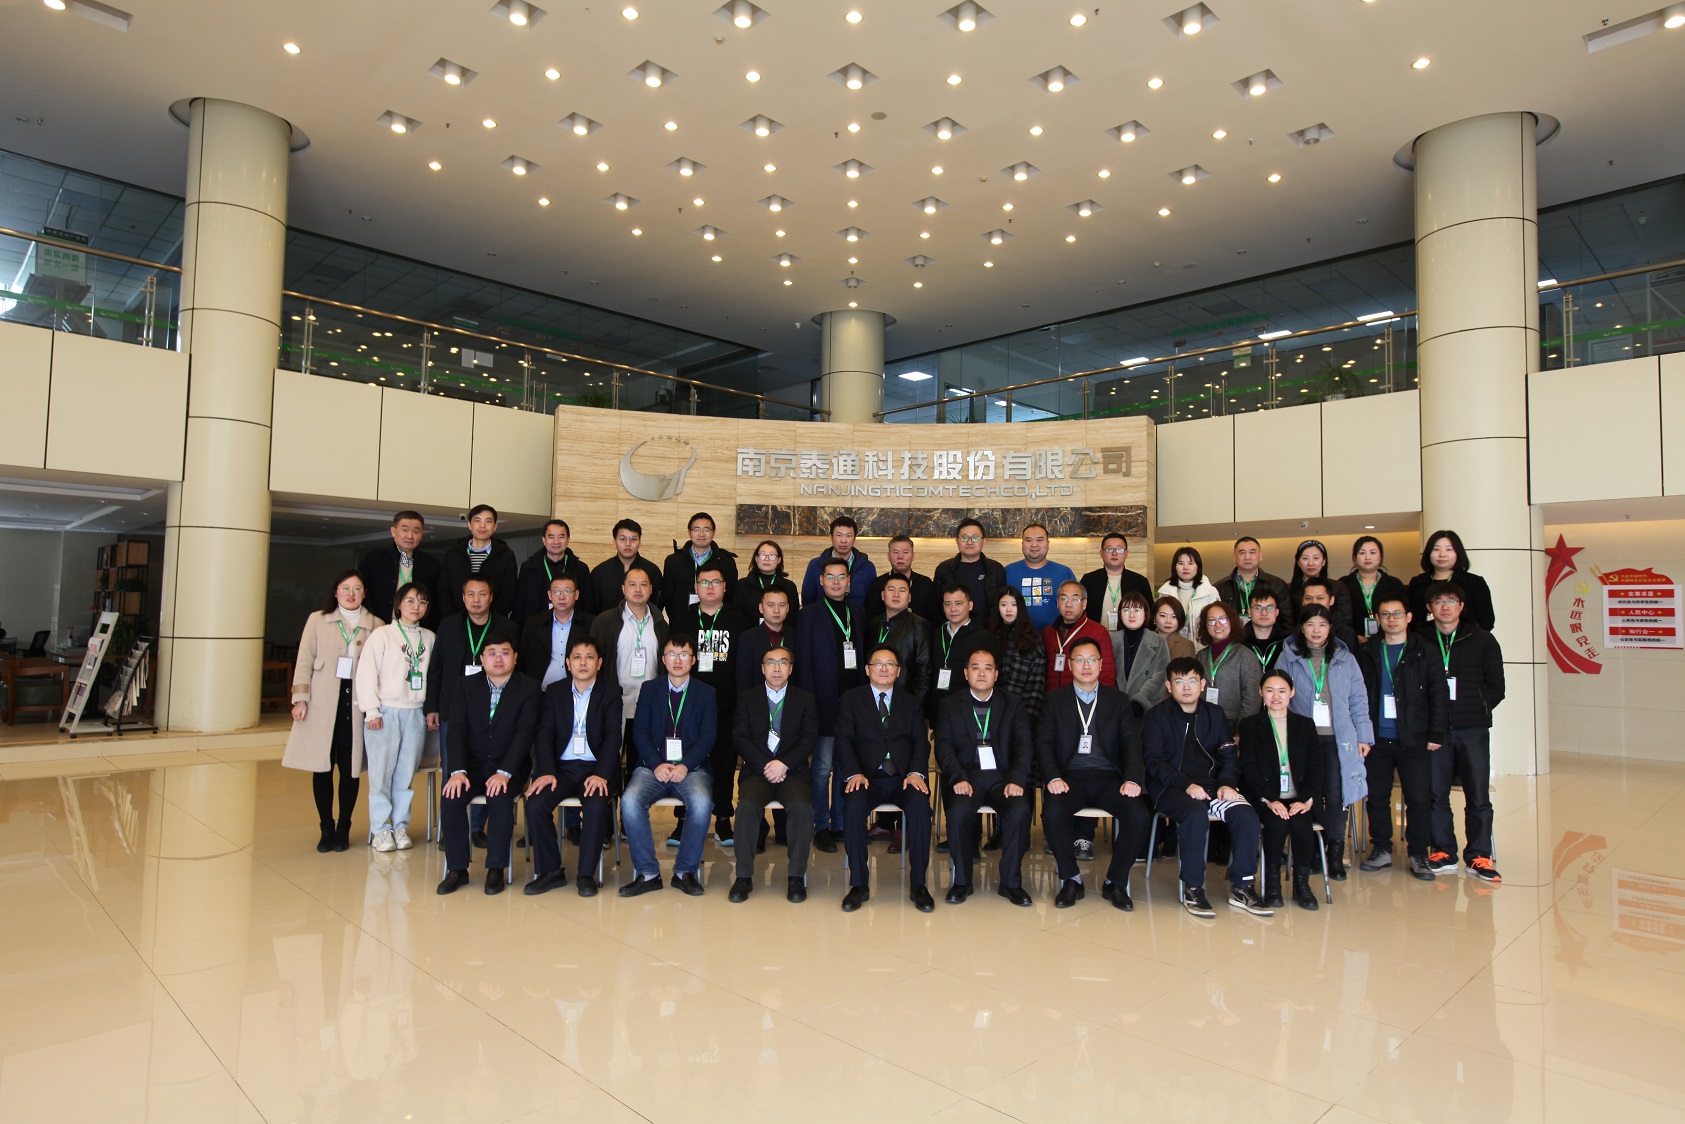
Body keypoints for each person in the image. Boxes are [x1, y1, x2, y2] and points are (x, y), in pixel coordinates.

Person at [1141, 658, 1271, 918]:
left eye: (1192, 681)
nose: (1186, 687)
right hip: (1171, 788)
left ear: (1202, 684)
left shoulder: (1215, 714)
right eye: (1179, 681)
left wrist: (1227, 783)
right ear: (1169, 686)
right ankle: (1193, 888)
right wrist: (1186, 785)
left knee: (1246, 815)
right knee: (1195, 814)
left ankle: (1242, 886)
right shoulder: (1156, 716)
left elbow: (1228, 755)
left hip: (1213, 786)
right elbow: (1154, 761)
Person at [1037, 636, 1151, 911]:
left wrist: (1132, 778)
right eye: (1079, 660)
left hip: (1109, 778)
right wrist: (1053, 777)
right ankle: (1071, 879)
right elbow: (1043, 743)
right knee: (1052, 813)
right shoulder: (1054, 700)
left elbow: (1131, 742)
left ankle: (1115, 881)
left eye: (1092, 660)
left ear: (1101, 664)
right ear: (1069, 665)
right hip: (1070, 778)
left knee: (1138, 815)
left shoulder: (1118, 700)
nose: (1086, 666)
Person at [283, 570, 380, 853]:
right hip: (323, 702)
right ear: (335, 592)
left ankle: (344, 826)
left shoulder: (376, 625)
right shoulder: (318, 619)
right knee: (322, 767)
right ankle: (326, 827)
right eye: (345, 588)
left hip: (356, 703)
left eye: (357, 588)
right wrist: (300, 699)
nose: (351, 594)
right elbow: (304, 660)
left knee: (350, 769)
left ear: (364, 594)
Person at [436, 629, 538, 896]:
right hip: (472, 767)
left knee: (499, 797)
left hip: (509, 767)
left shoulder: (528, 688)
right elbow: (456, 731)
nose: (498, 659)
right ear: (482, 659)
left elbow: (525, 734)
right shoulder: (465, 686)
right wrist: (457, 771)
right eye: (492, 653)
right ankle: (457, 869)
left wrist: (505, 772)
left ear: (515, 657)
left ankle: (496, 868)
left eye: (505, 653)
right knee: (451, 796)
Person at [1275, 605, 1372, 880]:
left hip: (1339, 739)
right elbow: (1278, 698)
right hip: (1303, 740)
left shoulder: (1345, 658)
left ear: (1330, 629)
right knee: (1309, 795)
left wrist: (1364, 736)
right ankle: (1314, 852)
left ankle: (1335, 852)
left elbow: (1358, 699)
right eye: (1310, 624)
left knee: (1337, 795)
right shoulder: (1288, 657)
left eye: (1322, 625)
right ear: (1301, 628)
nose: (1316, 630)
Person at [836, 646, 936, 913]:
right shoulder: (851, 700)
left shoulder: (911, 703)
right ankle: (859, 884)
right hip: (867, 777)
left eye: (889, 664)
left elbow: (921, 742)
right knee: (853, 806)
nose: (883, 668)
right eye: (877, 663)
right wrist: (854, 772)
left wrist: (916, 772)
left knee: (920, 806)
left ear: (898, 671)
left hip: (903, 778)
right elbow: (844, 741)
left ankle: (919, 885)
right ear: (867, 669)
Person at [934, 648, 1035, 906]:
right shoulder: (949, 705)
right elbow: (943, 747)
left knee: (1019, 811)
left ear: (996, 674)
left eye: (988, 668)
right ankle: (962, 882)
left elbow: (1024, 745)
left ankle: (1011, 883)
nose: (981, 673)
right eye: (975, 668)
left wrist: (1016, 778)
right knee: (958, 812)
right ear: (966, 673)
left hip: (1003, 778)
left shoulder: (1013, 703)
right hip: (967, 776)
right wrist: (958, 777)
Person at [619, 635, 718, 896]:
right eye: (672, 654)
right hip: (653, 768)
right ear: (663, 659)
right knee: (630, 801)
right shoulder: (650, 689)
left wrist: (685, 765)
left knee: (701, 802)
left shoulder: (706, 693)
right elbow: (640, 732)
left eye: (684, 655)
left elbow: (708, 736)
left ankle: (685, 872)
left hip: (692, 769)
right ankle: (648, 873)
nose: (678, 660)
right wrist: (655, 764)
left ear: (693, 660)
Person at [1359, 595, 1449, 881]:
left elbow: (1438, 694)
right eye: (1385, 614)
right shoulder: (1368, 651)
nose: (1391, 619)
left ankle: (1418, 853)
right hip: (1377, 737)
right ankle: (1381, 848)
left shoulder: (1425, 651)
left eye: (1397, 614)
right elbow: (1358, 694)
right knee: (1377, 797)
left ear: (1409, 617)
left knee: (1419, 798)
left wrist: (1436, 732)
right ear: (1378, 619)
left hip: (1414, 737)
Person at [523, 635, 619, 897]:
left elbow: (613, 737)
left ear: (599, 663)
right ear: (568, 663)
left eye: (589, 657)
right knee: (535, 804)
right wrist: (546, 772)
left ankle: (585, 875)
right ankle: (550, 872)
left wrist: (602, 774)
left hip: (594, 769)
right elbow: (544, 734)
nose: (583, 663)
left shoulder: (611, 692)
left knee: (597, 806)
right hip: (560, 769)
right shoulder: (554, 692)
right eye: (577, 657)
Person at [424, 577, 518, 844]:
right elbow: (436, 668)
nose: (477, 600)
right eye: (471, 594)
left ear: (491, 597)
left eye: (482, 594)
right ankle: (451, 830)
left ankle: (476, 827)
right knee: (453, 769)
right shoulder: (449, 626)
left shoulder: (507, 627)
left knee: (489, 768)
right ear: (463, 598)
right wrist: (432, 707)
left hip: (494, 712)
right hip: (453, 709)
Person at [1423, 580, 1505, 882]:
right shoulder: (1421, 640)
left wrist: (1476, 708)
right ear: (1429, 608)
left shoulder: (1482, 639)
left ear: (1461, 606)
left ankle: (1479, 855)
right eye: (1438, 601)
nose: (1445, 607)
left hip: (1473, 728)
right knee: (1435, 793)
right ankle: (1443, 850)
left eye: (1451, 601)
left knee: (1478, 794)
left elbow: (1497, 686)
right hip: (1434, 730)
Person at [668, 564, 752, 846]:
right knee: (686, 761)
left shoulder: (738, 620)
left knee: (725, 764)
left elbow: (743, 666)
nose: (710, 587)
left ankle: (723, 818)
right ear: (696, 587)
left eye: (716, 582)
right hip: (688, 705)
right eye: (704, 582)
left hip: (727, 705)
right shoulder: (682, 620)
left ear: (725, 587)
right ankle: (683, 819)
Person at [729, 647, 817, 903]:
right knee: (746, 806)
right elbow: (740, 737)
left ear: (791, 668)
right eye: (771, 663)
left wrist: (784, 764)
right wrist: (767, 764)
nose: (777, 668)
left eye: (783, 663)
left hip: (793, 771)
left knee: (801, 808)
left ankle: (796, 877)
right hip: (757, 771)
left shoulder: (805, 699)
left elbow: (809, 738)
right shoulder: (747, 698)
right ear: (762, 668)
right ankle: (743, 877)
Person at [792, 558, 866, 852]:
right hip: (821, 702)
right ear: (821, 581)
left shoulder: (857, 612)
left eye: (841, 577)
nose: (836, 582)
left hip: (852, 704)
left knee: (844, 764)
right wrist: (808, 707)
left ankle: (840, 823)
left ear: (849, 581)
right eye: (830, 577)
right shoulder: (809, 615)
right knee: (821, 768)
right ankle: (820, 824)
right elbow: (803, 663)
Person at [355, 582, 434, 852]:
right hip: (385, 712)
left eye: (422, 602)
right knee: (381, 775)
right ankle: (380, 829)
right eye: (410, 601)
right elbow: (366, 673)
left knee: (405, 775)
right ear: (399, 604)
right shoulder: (383, 635)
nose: (416, 607)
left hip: (415, 713)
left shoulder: (430, 637)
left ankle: (400, 825)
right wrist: (371, 710)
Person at [1237, 670, 1324, 910]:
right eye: (1270, 690)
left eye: (1282, 691)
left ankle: (1301, 885)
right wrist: (1270, 799)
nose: (1276, 696)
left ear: (1292, 693)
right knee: (1276, 825)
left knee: (1301, 825)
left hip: (1299, 798)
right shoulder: (1250, 725)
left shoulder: (1305, 725)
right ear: (1260, 692)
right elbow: (1248, 768)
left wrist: (1305, 799)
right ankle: (1272, 884)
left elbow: (1316, 766)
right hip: (1267, 798)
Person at [588, 568, 669, 784]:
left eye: (643, 584)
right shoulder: (605, 621)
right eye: (632, 584)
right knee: (609, 761)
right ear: (623, 589)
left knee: (640, 764)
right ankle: (609, 804)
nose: (638, 589)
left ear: (651, 590)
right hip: (615, 703)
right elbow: (595, 662)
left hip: (648, 706)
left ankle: (632, 805)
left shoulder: (660, 624)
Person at [359, 511, 442, 628]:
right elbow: (361, 594)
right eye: (405, 530)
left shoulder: (432, 564)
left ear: (421, 534)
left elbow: (437, 602)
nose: (410, 536)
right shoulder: (373, 560)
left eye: (416, 531)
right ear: (393, 531)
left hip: (417, 629)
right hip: (378, 626)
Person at [439, 504, 519, 620]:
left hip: (493, 622)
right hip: (456, 622)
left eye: (488, 521)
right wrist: (455, 619)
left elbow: (509, 593)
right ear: (469, 525)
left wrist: (489, 618)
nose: (482, 526)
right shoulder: (453, 554)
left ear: (495, 526)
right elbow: (443, 591)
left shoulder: (506, 555)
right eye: (477, 520)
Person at [1408, 530, 1497, 633]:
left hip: (1466, 640)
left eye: (1449, 549)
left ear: (1458, 553)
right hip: (1425, 640)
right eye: (1436, 549)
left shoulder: (1474, 583)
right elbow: (1410, 621)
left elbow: (1486, 621)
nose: (1442, 554)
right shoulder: (1418, 583)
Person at [1195, 601, 1261, 737]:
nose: (1217, 625)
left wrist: (1242, 728)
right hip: (1203, 722)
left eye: (1223, 619)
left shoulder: (1245, 656)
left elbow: (1252, 697)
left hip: (1232, 724)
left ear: (1232, 622)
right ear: (1205, 625)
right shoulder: (1201, 655)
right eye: (1212, 620)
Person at [927, 583, 993, 719]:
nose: (953, 609)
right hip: (939, 708)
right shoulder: (936, 634)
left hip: (970, 710)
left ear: (970, 605)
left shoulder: (984, 637)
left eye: (958, 603)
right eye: (948, 604)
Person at [518, 575, 595, 689]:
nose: (561, 597)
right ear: (550, 595)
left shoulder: (591, 623)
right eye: (557, 592)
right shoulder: (534, 622)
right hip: (539, 690)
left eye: (567, 591)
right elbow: (523, 658)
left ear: (576, 595)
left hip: (578, 691)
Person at [514, 519, 595, 622]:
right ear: (544, 540)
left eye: (561, 537)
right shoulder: (529, 568)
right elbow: (520, 604)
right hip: (536, 626)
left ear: (568, 539)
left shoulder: (580, 569)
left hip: (571, 626)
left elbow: (588, 605)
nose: (556, 541)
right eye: (551, 537)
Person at [869, 573, 934, 702]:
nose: (896, 595)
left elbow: (924, 671)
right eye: (891, 590)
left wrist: (917, 705)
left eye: (902, 590)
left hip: (905, 698)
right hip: (874, 696)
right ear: (883, 595)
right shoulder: (874, 624)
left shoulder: (919, 625)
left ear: (909, 597)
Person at [661, 511, 739, 613]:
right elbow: (667, 596)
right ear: (689, 532)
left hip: (717, 620)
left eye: (706, 530)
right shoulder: (673, 561)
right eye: (696, 529)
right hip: (681, 619)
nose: (701, 534)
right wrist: (676, 618)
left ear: (713, 533)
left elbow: (731, 595)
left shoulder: (726, 561)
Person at [1043, 581, 1116, 691]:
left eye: (1075, 599)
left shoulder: (1098, 632)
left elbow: (1107, 675)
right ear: (1057, 602)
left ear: (1084, 603)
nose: (1068, 604)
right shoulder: (1048, 632)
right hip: (1052, 697)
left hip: (1084, 697)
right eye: (1063, 599)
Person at [990, 588, 1047, 726]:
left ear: (1020, 607)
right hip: (992, 712)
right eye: (1003, 605)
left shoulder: (1032, 638)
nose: (1008, 609)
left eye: (1013, 604)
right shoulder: (990, 636)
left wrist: (1028, 719)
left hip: (1022, 712)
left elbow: (1037, 684)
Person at [1005, 523, 1076, 632]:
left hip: (1056, 637)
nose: (1034, 544)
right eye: (1029, 540)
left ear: (1048, 543)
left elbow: (1076, 608)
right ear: (1022, 544)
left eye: (1039, 540)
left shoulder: (1064, 572)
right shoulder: (1008, 571)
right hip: (1017, 637)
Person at [1215, 536, 1294, 630]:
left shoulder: (1277, 585)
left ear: (1260, 556)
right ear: (1234, 557)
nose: (1247, 557)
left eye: (1252, 552)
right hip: (1232, 638)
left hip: (1269, 638)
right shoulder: (1219, 587)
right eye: (1242, 552)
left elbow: (1287, 621)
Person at [1341, 535, 1407, 646]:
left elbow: (1403, 614)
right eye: (1362, 553)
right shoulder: (1343, 584)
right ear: (1354, 557)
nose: (1367, 557)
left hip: (1388, 641)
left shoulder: (1394, 584)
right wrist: (1352, 636)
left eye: (1372, 552)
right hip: (1353, 644)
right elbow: (1339, 617)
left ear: (1380, 557)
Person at [589, 518, 666, 615]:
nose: (628, 544)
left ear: (640, 542)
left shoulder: (652, 571)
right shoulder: (600, 572)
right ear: (614, 542)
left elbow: (657, 606)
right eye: (622, 539)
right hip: (607, 624)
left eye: (633, 539)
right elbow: (592, 608)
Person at [1112, 592, 1171, 717]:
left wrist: (1139, 702)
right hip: (1117, 710)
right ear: (1120, 614)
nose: (1131, 615)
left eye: (1137, 610)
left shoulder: (1159, 642)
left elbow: (1160, 676)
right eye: (1126, 610)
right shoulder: (1112, 641)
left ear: (1146, 614)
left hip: (1148, 711)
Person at [799, 515, 876, 609]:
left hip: (857, 618)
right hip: (822, 617)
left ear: (854, 538)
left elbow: (872, 603)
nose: (843, 541)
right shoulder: (816, 565)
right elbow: (808, 600)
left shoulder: (867, 567)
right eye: (839, 535)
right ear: (831, 536)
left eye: (848, 536)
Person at [1082, 533, 1154, 631]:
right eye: (1109, 549)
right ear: (1101, 553)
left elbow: (1149, 613)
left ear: (1126, 553)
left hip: (1130, 637)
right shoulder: (1088, 580)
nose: (1114, 553)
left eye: (1119, 549)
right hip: (1095, 637)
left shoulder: (1140, 582)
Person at [932, 517, 1007, 612]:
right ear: (957, 541)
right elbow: (936, 604)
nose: (969, 542)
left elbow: (1002, 603)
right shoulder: (944, 569)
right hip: (954, 621)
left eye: (975, 538)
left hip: (988, 622)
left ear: (983, 541)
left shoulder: (996, 569)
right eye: (964, 538)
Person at [865, 534, 940, 623]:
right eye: (896, 552)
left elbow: (933, 619)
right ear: (888, 556)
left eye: (905, 552)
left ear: (913, 556)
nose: (900, 557)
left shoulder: (925, 584)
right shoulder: (878, 584)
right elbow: (872, 619)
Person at [1288, 540, 1353, 633]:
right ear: (1298, 562)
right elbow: (1287, 622)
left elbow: (1345, 620)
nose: (1311, 563)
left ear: (1324, 561)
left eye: (1316, 558)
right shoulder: (1288, 590)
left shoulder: (1338, 587)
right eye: (1305, 558)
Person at [1156, 547, 1219, 641]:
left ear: (1198, 566)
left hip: (1202, 645)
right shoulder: (1165, 592)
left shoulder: (1210, 591)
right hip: (1172, 645)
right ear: (1175, 566)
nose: (1185, 567)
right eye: (1181, 563)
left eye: (1190, 563)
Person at [732, 540, 800, 624]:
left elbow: (792, 618)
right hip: (749, 631)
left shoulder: (789, 587)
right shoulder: (742, 585)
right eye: (762, 555)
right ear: (756, 558)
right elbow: (737, 616)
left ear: (779, 560)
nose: (767, 559)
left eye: (772, 556)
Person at [1299, 576, 1362, 652]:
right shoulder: (1296, 631)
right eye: (1308, 598)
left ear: (1331, 600)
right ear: (1302, 602)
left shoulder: (1345, 634)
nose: (1314, 602)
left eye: (1320, 598)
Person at [1239, 590, 1290, 673]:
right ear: (1249, 612)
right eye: (1258, 608)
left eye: (1269, 608)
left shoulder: (1286, 643)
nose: (1264, 613)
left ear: (1277, 612)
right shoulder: (1239, 641)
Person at [1152, 596, 1198, 662]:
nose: (1168, 621)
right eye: (1163, 615)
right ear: (1154, 618)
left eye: (1174, 617)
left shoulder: (1186, 645)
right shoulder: (1145, 640)